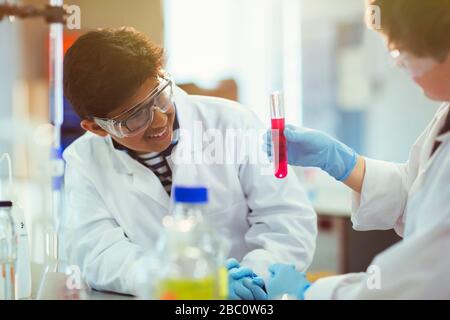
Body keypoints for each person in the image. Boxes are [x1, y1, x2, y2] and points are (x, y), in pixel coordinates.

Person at [62, 27, 317, 298]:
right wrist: (181, 283)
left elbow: (287, 223)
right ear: (97, 128)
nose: (159, 121)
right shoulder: (84, 162)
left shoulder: (234, 124)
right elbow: (97, 253)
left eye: (159, 96)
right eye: (135, 117)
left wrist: (253, 277)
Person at [264, 0, 450, 299]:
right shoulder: (446, 113)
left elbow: (417, 282)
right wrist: (342, 163)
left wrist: (308, 294)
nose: (399, 64)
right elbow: (416, 192)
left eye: (402, 52)